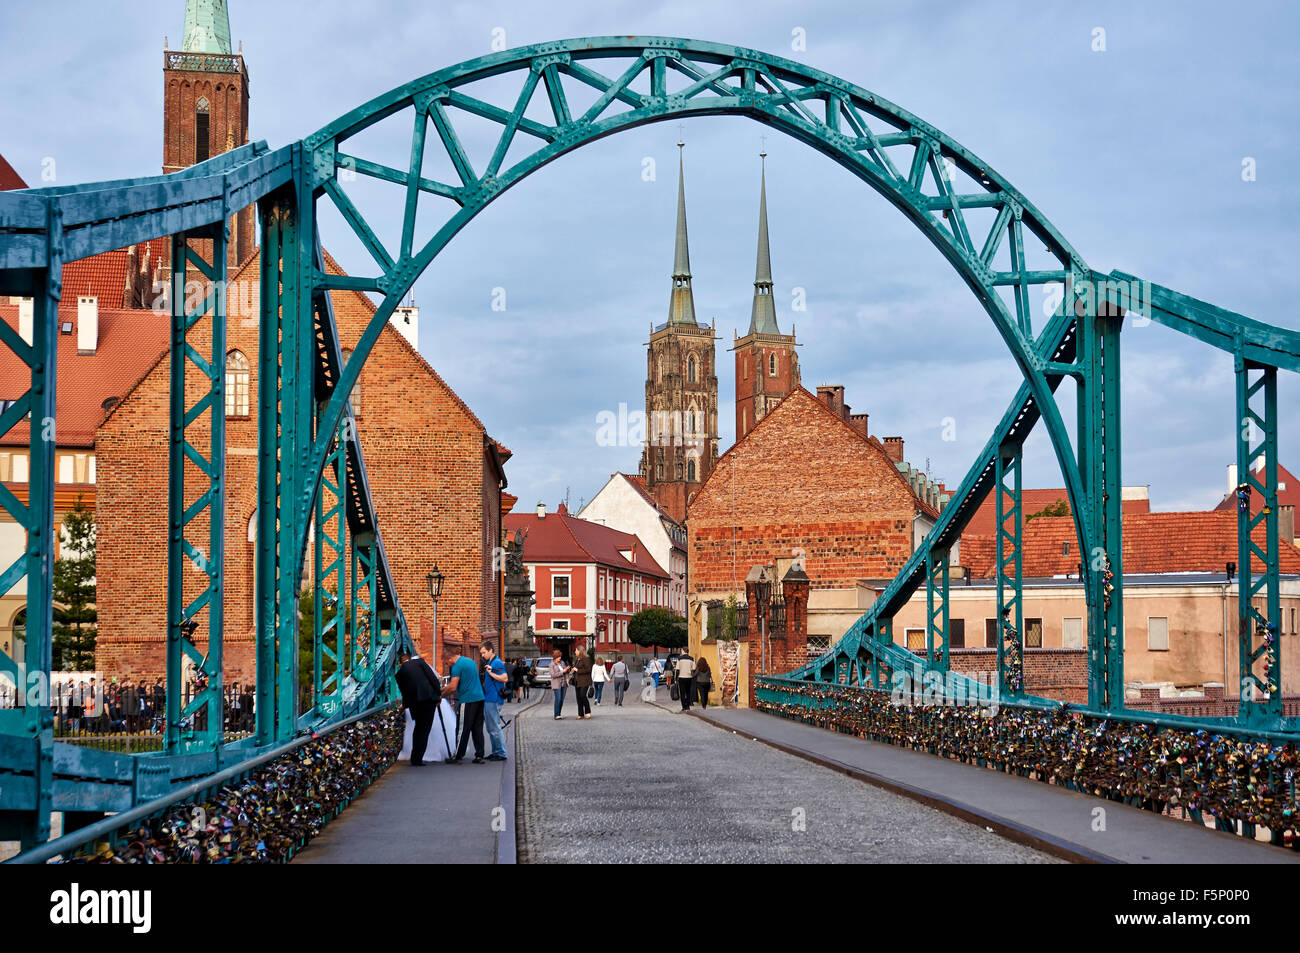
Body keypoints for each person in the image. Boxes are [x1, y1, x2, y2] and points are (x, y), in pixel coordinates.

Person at [395, 650, 443, 766]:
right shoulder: (420, 663)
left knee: (418, 729)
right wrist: (438, 695)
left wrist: (405, 706)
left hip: (414, 704)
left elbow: (404, 692)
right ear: (410, 658)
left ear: (400, 664)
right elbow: (433, 679)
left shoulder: (399, 674)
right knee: (425, 729)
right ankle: (418, 758)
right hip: (428, 700)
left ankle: (415, 758)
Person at [446, 646, 486, 764]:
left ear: (450, 658)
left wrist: (440, 693)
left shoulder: (457, 666)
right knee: (477, 728)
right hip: (479, 697)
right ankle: (479, 755)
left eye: (446, 662)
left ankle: (458, 755)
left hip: (468, 700)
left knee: (462, 728)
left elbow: (453, 687)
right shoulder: (470, 661)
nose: (448, 665)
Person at [480, 641, 509, 763]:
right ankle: (496, 751)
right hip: (490, 698)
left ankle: (501, 752)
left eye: (484, 652)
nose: (482, 655)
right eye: (481, 653)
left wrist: (491, 674)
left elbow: (505, 678)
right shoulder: (491, 662)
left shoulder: (496, 662)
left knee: (494, 727)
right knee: (491, 727)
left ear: (491, 650)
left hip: (493, 699)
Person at [571, 646, 594, 719]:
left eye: (576, 650)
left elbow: (588, 670)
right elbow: (576, 668)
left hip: (585, 681)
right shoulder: (577, 659)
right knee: (578, 698)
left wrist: (577, 670)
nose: (575, 652)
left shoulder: (586, 659)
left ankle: (587, 711)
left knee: (583, 695)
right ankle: (580, 714)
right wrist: (573, 670)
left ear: (579, 651)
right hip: (577, 681)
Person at [548, 650, 570, 719]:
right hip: (556, 684)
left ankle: (559, 713)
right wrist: (562, 672)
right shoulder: (551, 665)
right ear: (555, 657)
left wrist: (567, 670)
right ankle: (556, 714)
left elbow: (565, 672)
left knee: (562, 700)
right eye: (558, 657)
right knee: (558, 698)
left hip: (564, 684)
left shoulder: (562, 663)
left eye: (560, 657)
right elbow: (553, 675)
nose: (560, 658)